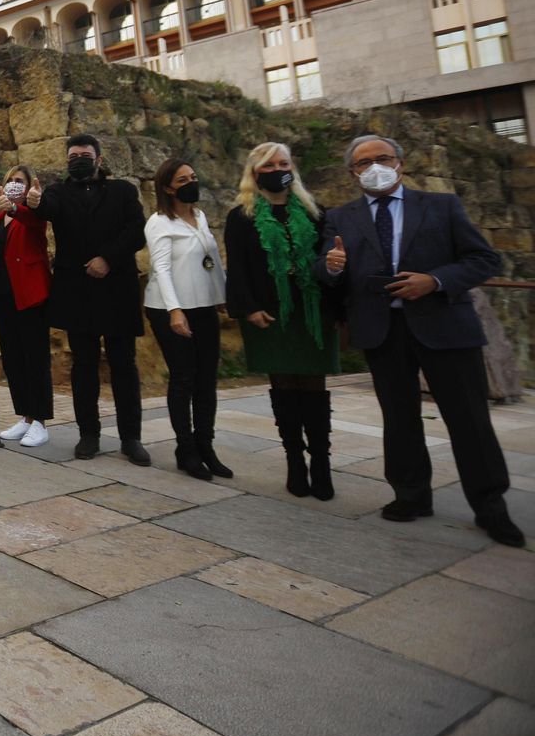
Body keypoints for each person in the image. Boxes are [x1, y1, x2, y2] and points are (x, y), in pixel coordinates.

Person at [317, 135, 522, 546]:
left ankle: (490, 507)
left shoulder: (441, 206)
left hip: (446, 327)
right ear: (352, 173)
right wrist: (331, 266)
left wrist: (435, 281)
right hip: (382, 330)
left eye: (382, 158)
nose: (374, 166)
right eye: (363, 163)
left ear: (400, 163)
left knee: (470, 421)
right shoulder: (340, 217)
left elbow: (483, 259)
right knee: (400, 418)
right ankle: (411, 495)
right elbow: (326, 273)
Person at [224, 143, 340, 500]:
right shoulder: (241, 216)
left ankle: (320, 460)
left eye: (284, 162)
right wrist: (248, 308)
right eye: (269, 164)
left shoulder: (316, 212)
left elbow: (329, 260)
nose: (278, 169)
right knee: (285, 387)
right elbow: (238, 268)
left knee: (313, 388)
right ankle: (294, 459)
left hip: (311, 313)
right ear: (255, 173)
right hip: (268, 313)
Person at [34, 135, 149, 465]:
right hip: (77, 292)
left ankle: (131, 438)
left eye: (85, 155)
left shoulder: (123, 191)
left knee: (124, 366)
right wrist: (34, 201)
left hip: (116, 289)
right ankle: (89, 434)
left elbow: (136, 229)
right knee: (83, 366)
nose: (79, 160)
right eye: (73, 156)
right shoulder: (57, 191)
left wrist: (107, 258)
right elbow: (48, 209)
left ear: (99, 159)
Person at [144, 158, 229, 483]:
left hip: (204, 305)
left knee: (207, 379)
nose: (191, 182)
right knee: (184, 379)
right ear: (168, 187)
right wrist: (174, 310)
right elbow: (161, 269)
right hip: (170, 309)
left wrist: (220, 295)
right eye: (183, 179)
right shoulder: (159, 222)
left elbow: (212, 259)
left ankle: (206, 446)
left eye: (193, 177)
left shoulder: (200, 216)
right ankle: (186, 449)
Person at [0, 165, 52, 448]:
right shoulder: (0, 214)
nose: (14, 184)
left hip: (30, 293)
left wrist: (16, 207)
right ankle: (25, 417)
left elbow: (35, 222)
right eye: (10, 180)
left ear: (30, 187)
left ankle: (40, 421)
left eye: (20, 181)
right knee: (13, 358)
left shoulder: (33, 211)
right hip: (3, 295)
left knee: (35, 357)